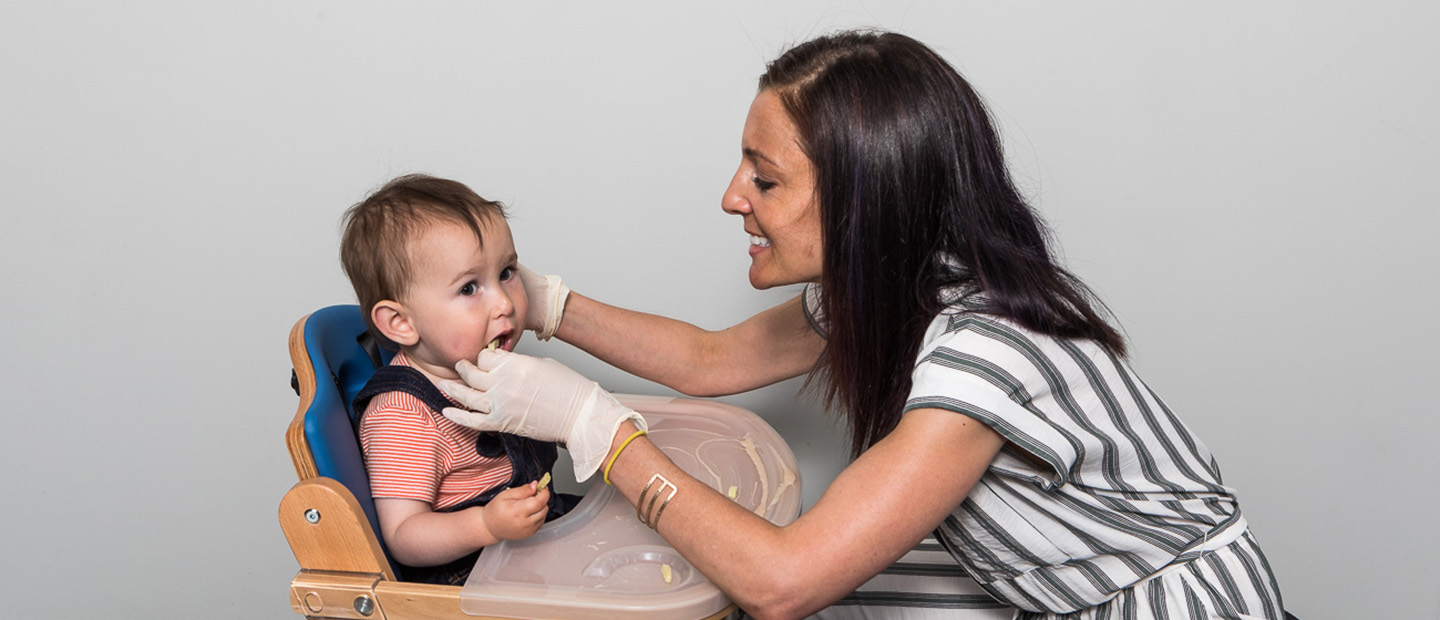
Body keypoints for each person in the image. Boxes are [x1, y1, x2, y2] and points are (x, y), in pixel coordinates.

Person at [441, 30, 1287, 619]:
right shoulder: (896, 284)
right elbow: (708, 360)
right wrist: (542, 302)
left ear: (861, 201)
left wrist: (598, 429)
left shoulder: (986, 355)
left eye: (765, 180)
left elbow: (784, 584)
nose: (732, 196)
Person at [338, 174, 583, 585]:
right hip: (469, 576)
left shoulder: (489, 369)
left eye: (506, 272)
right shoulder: (403, 414)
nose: (505, 303)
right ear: (400, 322)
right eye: (470, 287)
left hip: (530, 542)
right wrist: (484, 525)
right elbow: (402, 535)